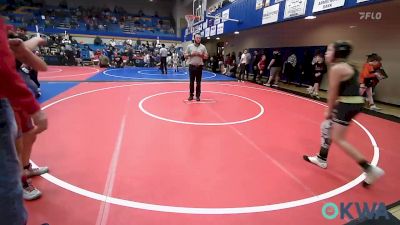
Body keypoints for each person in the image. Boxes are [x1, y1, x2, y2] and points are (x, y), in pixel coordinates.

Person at [303, 41, 384, 187]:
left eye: (328, 51)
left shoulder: (337, 68)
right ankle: (321, 158)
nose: (326, 54)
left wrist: (329, 110)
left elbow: (332, 93)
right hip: (351, 103)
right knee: (327, 127)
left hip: (347, 105)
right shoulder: (348, 66)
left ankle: (369, 169)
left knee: (339, 138)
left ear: (337, 53)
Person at [0, 18, 48, 224]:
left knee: (26, 136)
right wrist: (33, 108)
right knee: (11, 154)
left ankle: (26, 168)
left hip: (15, 97)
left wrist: (34, 40)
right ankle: (22, 179)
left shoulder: (13, 43)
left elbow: (25, 52)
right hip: (11, 97)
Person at [184, 33, 208, 101]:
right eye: (197, 38)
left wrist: (201, 55)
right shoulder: (189, 46)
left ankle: (198, 96)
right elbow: (185, 56)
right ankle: (191, 95)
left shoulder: (203, 47)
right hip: (191, 66)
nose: (198, 39)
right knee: (191, 82)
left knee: (198, 82)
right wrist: (191, 54)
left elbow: (206, 56)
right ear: (194, 38)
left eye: (200, 38)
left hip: (199, 67)